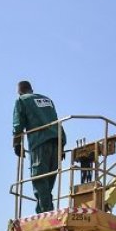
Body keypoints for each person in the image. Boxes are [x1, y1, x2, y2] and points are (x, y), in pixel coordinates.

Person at [12, 80, 67, 213]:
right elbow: (56, 121)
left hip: (40, 142)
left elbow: (18, 124)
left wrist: (17, 143)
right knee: (48, 183)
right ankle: (45, 210)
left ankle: (46, 213)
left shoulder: (21, 100)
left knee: (40, 179)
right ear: (31, 89)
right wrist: (62, 147)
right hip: (56, 142)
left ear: (19, 92)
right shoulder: (47, 100)